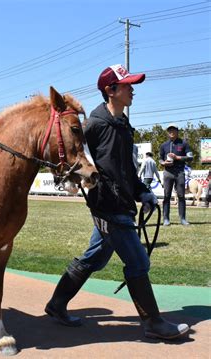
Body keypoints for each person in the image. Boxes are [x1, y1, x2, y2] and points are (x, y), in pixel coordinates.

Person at [44, 64, 189, 340]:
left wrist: (142, 192)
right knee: (138, 262)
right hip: (106, 206)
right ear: (111, 91)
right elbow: (73, 154)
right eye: (127, 85)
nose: (132, 90)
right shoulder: (94, 125)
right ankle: (153, 322)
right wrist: (72, 180)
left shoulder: (123, 125)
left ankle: (57, 303)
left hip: (123, 202)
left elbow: (127, 171)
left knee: (95, 258)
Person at [159, 123, 193, 226]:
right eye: (169, 130)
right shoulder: (163, 145)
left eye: (173, 130)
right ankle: (166, 219)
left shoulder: (184, 144)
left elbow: (190, 157)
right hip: (168, 173)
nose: (171, 132)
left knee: (181, 196)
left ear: (177, 131)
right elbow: (160, 159)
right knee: (166, 196)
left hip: (180, 173)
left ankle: (182, 219)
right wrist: (163, 163)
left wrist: (177, 157)